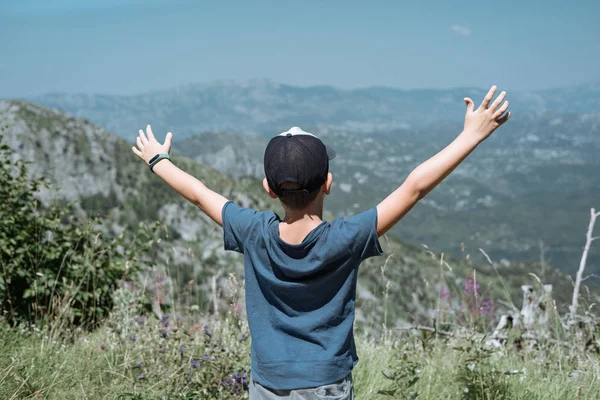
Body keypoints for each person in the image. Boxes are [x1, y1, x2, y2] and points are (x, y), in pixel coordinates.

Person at [132, 86, 510, 399]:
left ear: (268, 189)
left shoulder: (252, 232)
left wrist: (157, 160)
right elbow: (414, 188)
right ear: (328, 183)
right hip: (327, 384)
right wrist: (472, 135)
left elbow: (199, 194)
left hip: (268, 385)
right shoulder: (346, 239)